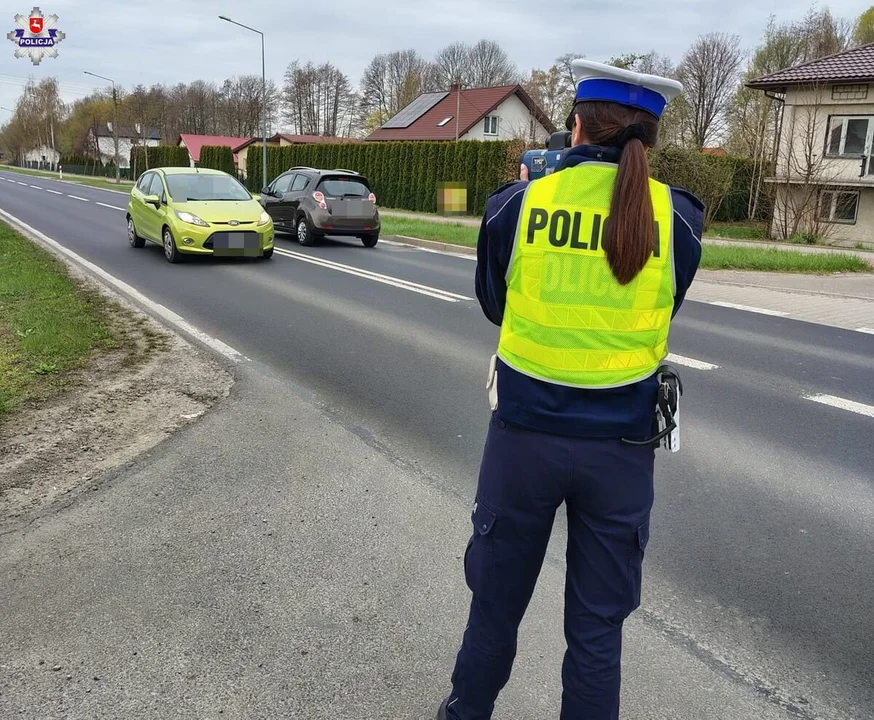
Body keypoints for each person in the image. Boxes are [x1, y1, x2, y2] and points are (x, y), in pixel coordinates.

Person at [436, 59, 704, 720]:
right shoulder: (680, 221)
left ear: (576, 127)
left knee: (494, 611)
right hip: (621, 452)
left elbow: (497, 306)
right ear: (651, 139)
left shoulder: (517, 206)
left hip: (523, 443)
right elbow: (660, 311)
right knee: (595, 635)